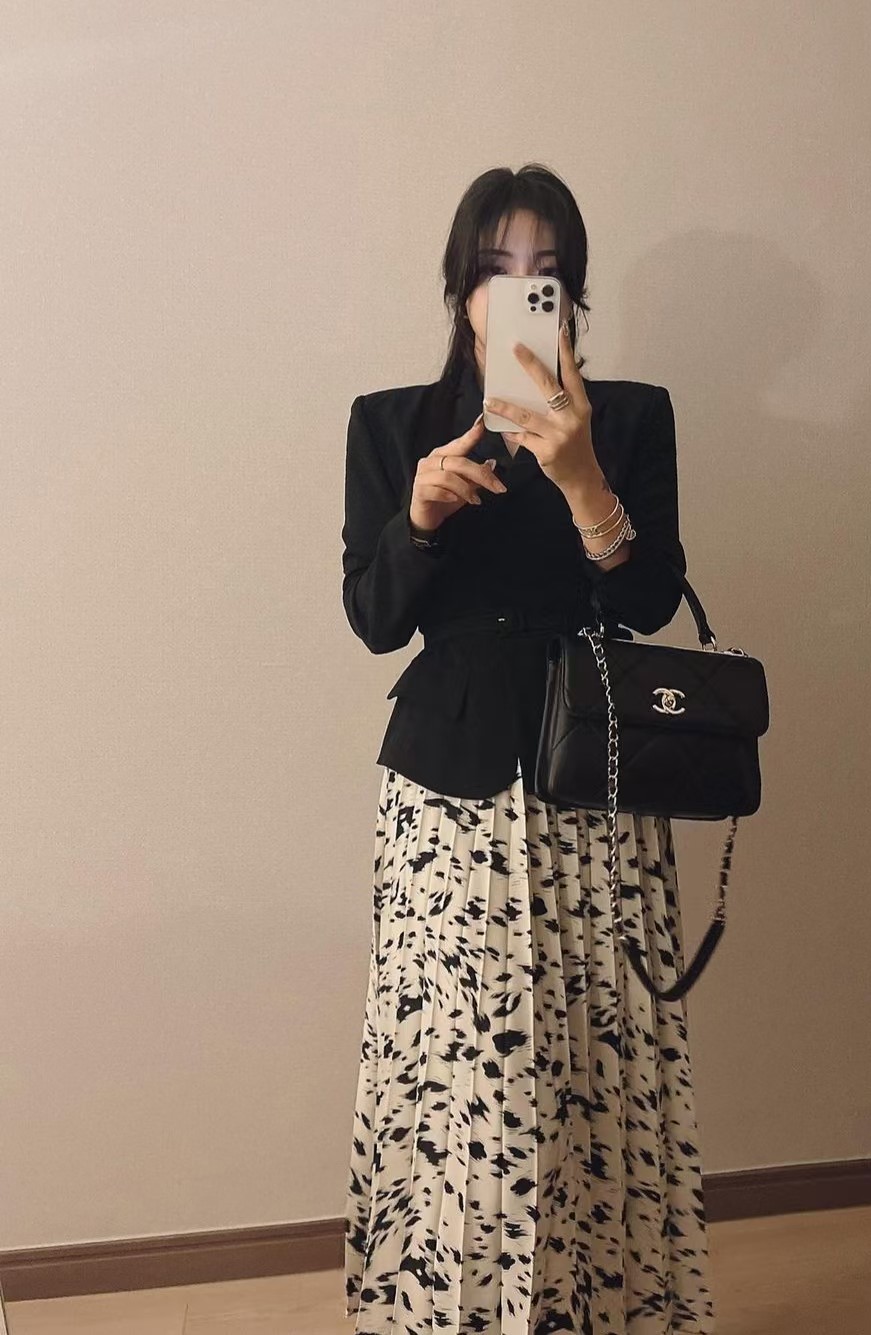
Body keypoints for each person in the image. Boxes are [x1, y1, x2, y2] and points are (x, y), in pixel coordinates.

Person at [341, 163, 714, 1334]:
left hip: (598, 774)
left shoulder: (631, 419)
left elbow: (650, 603)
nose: (519, 293)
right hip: (448, 785)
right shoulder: (393, 426)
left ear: (574, 295)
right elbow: (372, 620)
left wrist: (583, 477)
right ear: (458, 290)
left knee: (603, 1058)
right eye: (496, 271)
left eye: (544, 274)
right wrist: (419, 521)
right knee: (462, 1069)